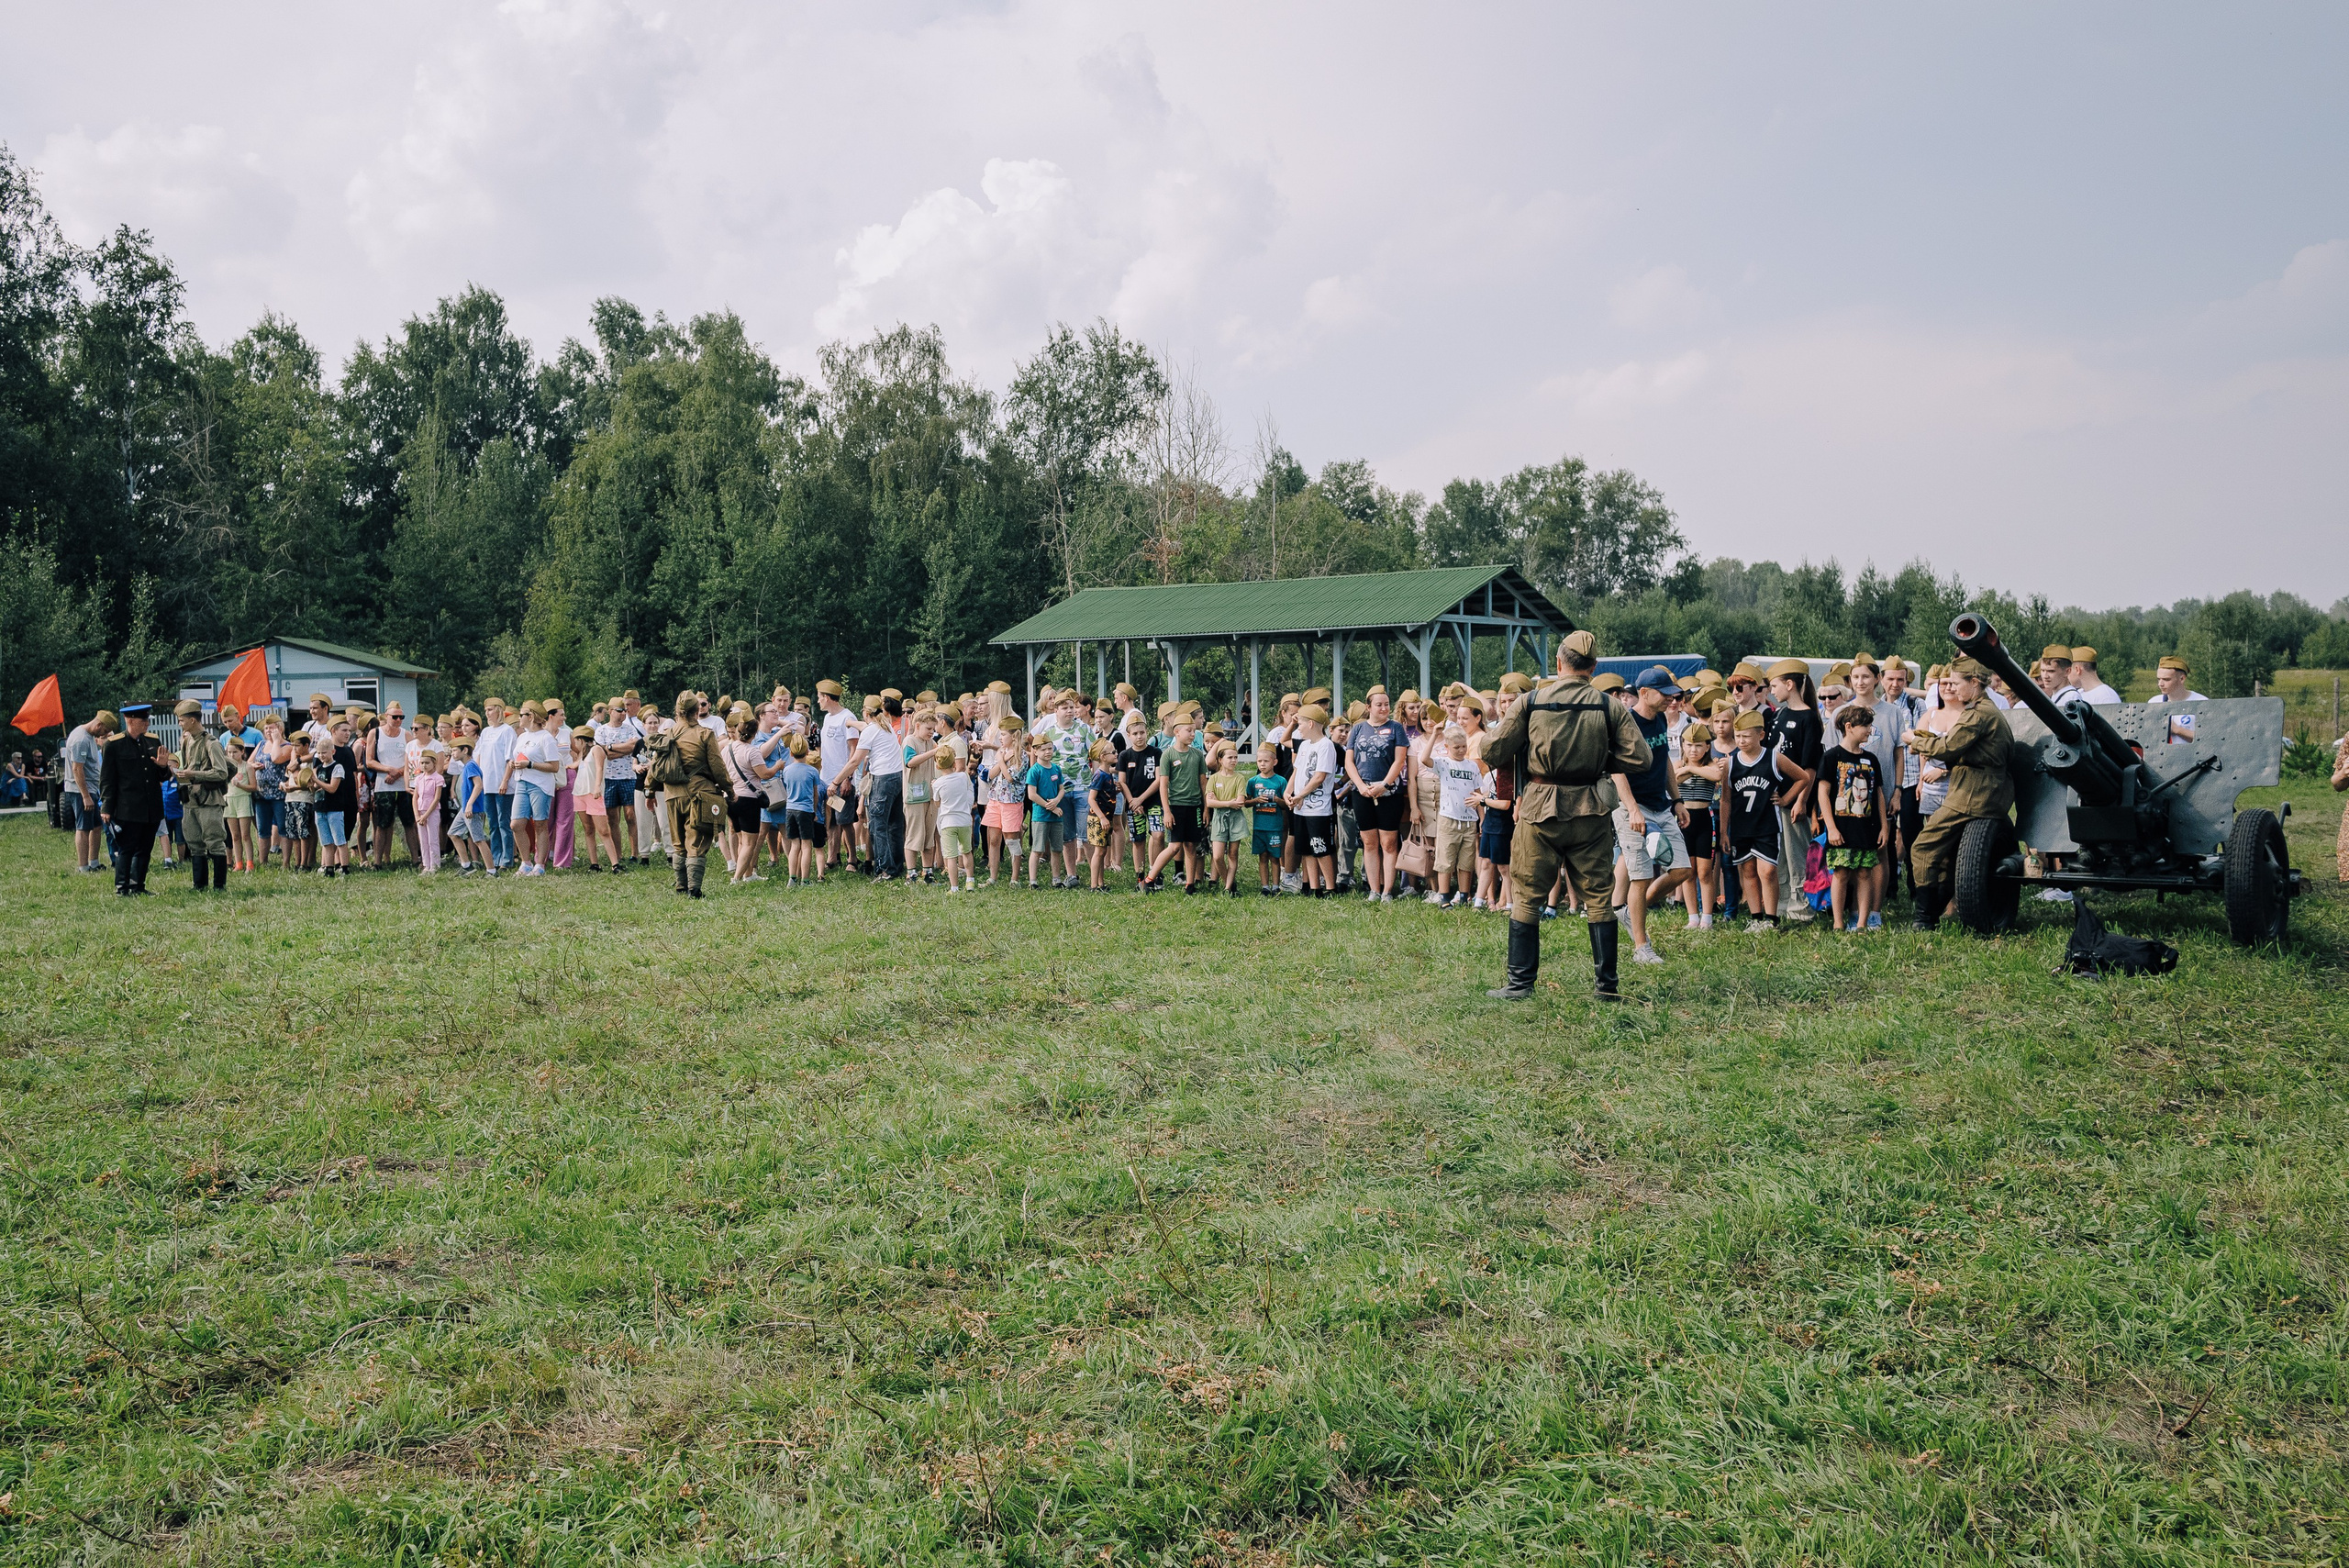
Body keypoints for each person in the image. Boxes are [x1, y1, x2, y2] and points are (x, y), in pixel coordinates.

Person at [1482, 630, 1655, 1001]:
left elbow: (1492, 750)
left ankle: (1519, 984)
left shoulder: (1531, 701)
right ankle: (1606, 988)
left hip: (1539, 806)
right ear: (1592, 669)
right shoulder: (1609, 706)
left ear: (1559, 664)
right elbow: (1641, 758)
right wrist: (1601, 757)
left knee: (1528, 895)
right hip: (1591, 808)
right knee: (1598, 898)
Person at [1905, 658, 2016, 930]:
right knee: (1946, 855)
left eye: (1956, 683)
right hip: (1980, 788)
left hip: (1974, 793)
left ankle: (1923, 918)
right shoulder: (1983, 709)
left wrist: (1914, 741)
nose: (1951, 688)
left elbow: (1949, 747)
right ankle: (1930, 914)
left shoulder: (1978, 713)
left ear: (1974, 683)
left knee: (1923, 847)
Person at [1611, 668, 1695, 966]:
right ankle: (1641, 947)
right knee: (1642, 876)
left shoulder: (1659, 718)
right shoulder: (1627, 722)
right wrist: (1632, 808)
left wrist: (1677, 800)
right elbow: (1616, 768)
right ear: (1644, 693)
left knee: (1682, 870)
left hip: (1662, 805)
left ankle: (1630, 913)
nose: (1671, 700)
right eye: (1664, 694)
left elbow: (1666, 765)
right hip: (1633, 808)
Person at [1724, 710, 1805, 932]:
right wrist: (1723, 831)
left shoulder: (1773, 757)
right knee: (1748, 871)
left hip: (1767, 825)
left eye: (1746, 736)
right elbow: (1725, 800)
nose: (1741, 741)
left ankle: (1771, 918)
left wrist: (1786, 798)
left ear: (1761, 735)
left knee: (1768, 871)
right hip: (1741, 828)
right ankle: (1755, 917)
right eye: (1738, 736)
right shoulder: (1730, 763)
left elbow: (1803, 777)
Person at [1817, 706, 1889, 932]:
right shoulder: (1831, 757)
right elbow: (1822, 793)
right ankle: (1838, 922)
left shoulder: (1871, 759)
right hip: (1841, 827)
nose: (1869, 730)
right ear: (1849, 727)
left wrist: (1884, 826)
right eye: (1865, 726)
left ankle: (1861, 923)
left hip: (1866, 826)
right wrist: (1830, 827)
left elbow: (1878, 794)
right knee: (1841, 872)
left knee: (1865, 872)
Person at [1764, 658, 1823, 924]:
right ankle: (1783, 902)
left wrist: (1799, 800)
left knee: (1798, 854)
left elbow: (1810, 767)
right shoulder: (1779, 714)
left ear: (1790, 684)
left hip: (1795, 798)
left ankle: (1802, 908)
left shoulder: (1809, 717)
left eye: (1775, 685)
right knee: (1781, 855)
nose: (1772, 691)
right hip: (1775, 799)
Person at [654, 691, 728, 897]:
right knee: (696, 841)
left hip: (671, 794)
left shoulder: (667, 734)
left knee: (678, 843)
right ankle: (694, 890)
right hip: (699, 794)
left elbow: (655, 766)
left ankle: (680, 886)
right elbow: (717, 767)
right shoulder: (704, 734)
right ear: (697, 711)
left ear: (677, 712)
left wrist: (650, 791)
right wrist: (729, 789)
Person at [97, 704, 173, 895]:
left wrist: (164, 767)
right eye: (143, 720)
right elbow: (107, 779)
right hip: (128, 807)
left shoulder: (152, 741)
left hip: (151, 806)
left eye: (148, 719)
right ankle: (122, 886)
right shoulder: (113, 745)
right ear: (129, 720)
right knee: (127, 848)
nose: (147, 724)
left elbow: (162, 776)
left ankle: (138, 885)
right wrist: (106, 806)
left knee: (145, 849)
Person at [1345, 685, 1410, 901]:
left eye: (1386, 704)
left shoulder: (1396, 728)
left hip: (1389, 792)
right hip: (1362, 792)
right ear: (1369, 706)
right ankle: (1374, 889)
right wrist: (1360, 785)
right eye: (1379, 704)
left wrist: (1385, 784)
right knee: (1369, 842)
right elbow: (1349, 762)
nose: (1384, 708)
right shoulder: (1357, 729)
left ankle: (1387, 890)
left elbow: (1400, 760)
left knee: (1389, 843)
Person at [170, 699, 233, 892]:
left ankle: (219, 886)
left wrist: (193, 774)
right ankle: (199, 885)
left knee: (215, 842)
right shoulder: (187, 741)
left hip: (209, 799)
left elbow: (221, 773)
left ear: (192, 720)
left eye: (182, 720)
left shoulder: (211, 743)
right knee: (194, 842)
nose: (180, 724)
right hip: (191, 799)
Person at [1146, 714, 1208, 894]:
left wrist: (1205, 809)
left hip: (1194, 806)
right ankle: (1151, 878)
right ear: (1177, 732)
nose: (1192, 734)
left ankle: (1190, 884)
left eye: (1194, 731)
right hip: (1176, 806)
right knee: (1174, 847)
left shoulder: (1197, 755)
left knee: (1191, 846)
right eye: (1189, 730)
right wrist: (1167, 811)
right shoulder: (1167, 755)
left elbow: (1203, 783)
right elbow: (1163, 785)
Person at [1284, 705, 1340, 896]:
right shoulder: (1305, 745)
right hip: (1300, 808)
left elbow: (1319, 777)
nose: (1298, 728)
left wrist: (1300, 795)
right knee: (1306, 848)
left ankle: (1331, 887)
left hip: (1318, 808)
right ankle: (1314, 887)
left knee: (1320, 847)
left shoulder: (1326, 745)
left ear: (1310, 723)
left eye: (1300, 724)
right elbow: (1297, 770)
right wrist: (1288, 792)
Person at [1672, 722, 1723, 929]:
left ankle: (1707, 916)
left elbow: (1717, 775)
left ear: (1707, 747)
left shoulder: (1712, 764)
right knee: (1688, 871)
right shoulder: (1676, 764)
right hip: (1684, 819)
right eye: (1689, 745)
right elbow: (1674, 778)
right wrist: (1693, 769)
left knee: (1704, 871)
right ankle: (1693, 916)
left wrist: (1691, 768)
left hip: (1704, 818)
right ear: (1683, 745)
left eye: (1698, 746)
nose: (1693, 750)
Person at [1431, 723, 1481, 907]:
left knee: (1466, 861)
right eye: (1456, 747)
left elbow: (1478, 792)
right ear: (1447, 747)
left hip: (1469, 820)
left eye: (1464, 747)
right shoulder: (1443, 763)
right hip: (1448, 818)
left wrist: (1481, 818)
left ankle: (1463, 896)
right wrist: (1434, 735)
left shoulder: (1472, 766)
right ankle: (1444, 897)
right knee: (1445, 859)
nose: (1461, 750)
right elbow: (1423, 759)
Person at [64, 709, 114, 874]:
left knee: (96, 826)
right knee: (84, 828)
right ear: (99, 724)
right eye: (104, 731)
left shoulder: (89, 736)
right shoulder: (80, 740)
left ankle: (94, 863)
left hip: (91, 789)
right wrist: (85, 796)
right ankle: (83, 867)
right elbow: (77, 769)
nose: (104, 735)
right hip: (80, 791)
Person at [1205, 740, 1250, 895]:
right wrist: (1228, 803)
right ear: (1220, 760)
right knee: (1217, 856)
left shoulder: (1239, 779)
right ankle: (1228, 881)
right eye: (1230, 757)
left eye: (1236, 757)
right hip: (1219, 819)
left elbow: (1240, 802)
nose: (1233, 761)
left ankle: (1227, 888)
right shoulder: (1214, 778)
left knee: (1232, 853)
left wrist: (1221, 802)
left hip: (1235, 819)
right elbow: (1209, 802)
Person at [1024, 734, 1067, 888]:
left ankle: (1056, 878)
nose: (1048, 752)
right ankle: (1033, 881)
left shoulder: (1056, 768)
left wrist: (1057, 800)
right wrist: (1051, 807)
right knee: (1037, 849)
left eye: (1050, 748)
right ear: (1035, 751)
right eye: (1043, 750)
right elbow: (1032, 795)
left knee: (1057, 848)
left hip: (1056, 817)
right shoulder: (1034, 771)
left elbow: (1062, 789)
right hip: (1041, 816)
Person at [932, 741, 976, 893]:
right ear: (954, 761)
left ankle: (954, 887)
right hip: (964, 820)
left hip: (947, 822)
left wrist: (935, 787)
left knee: (951, 856)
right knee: (966, 851)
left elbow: (937, 804)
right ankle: (970, 880)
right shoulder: (963, 777)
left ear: (937, 766)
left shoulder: (937, 783)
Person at [780, 737, 824, 884]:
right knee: (806, 845)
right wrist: (814, 812)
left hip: (790, 809)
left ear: (791, 753)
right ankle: (805, 879)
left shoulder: (786, 770)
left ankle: (792, 878)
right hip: (805, 810)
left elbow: (786, 788)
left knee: (794, 845)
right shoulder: (812, 772)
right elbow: (815, 794)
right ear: (807, 752)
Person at [1247, 742, 1286, 896]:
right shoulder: (1253, 781)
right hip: (1259, 826)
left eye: (1266, 761)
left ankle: (1276, 886)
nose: (1262, 764)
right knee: (1262, 856)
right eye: (1259, 761)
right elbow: (1245, 802)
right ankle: (1265, 886)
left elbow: (1286, 805)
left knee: (1275, 857)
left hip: (1275, 826)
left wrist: (1276, 799)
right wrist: (1256, 801)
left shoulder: (1281, 781)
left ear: (1274, 762)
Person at [2147, 654, 2209, 743]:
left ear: (2182, 679)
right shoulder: (2154, 702)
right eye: (2159, 679)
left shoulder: (2202, 702)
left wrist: (2177, 730)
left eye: (2166, 679)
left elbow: (2208, 738)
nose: (2160, 684)